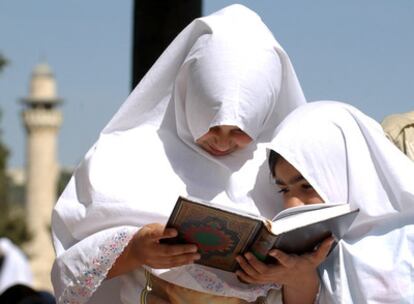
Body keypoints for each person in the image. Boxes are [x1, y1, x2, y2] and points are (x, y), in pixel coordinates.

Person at [51, 4, 306, 304]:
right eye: (212, 126)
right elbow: (70, 271)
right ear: (188, 92)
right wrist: (135, 250)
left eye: (239, 131)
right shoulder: (122, 158)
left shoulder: (285, 175)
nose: (222, 144)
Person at [265, 101, 414, 303]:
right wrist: (299, 280)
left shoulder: (407, 238)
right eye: (284, 190)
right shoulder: (303, 255)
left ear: (346, 170)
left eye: (307, 186)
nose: (293, 205)